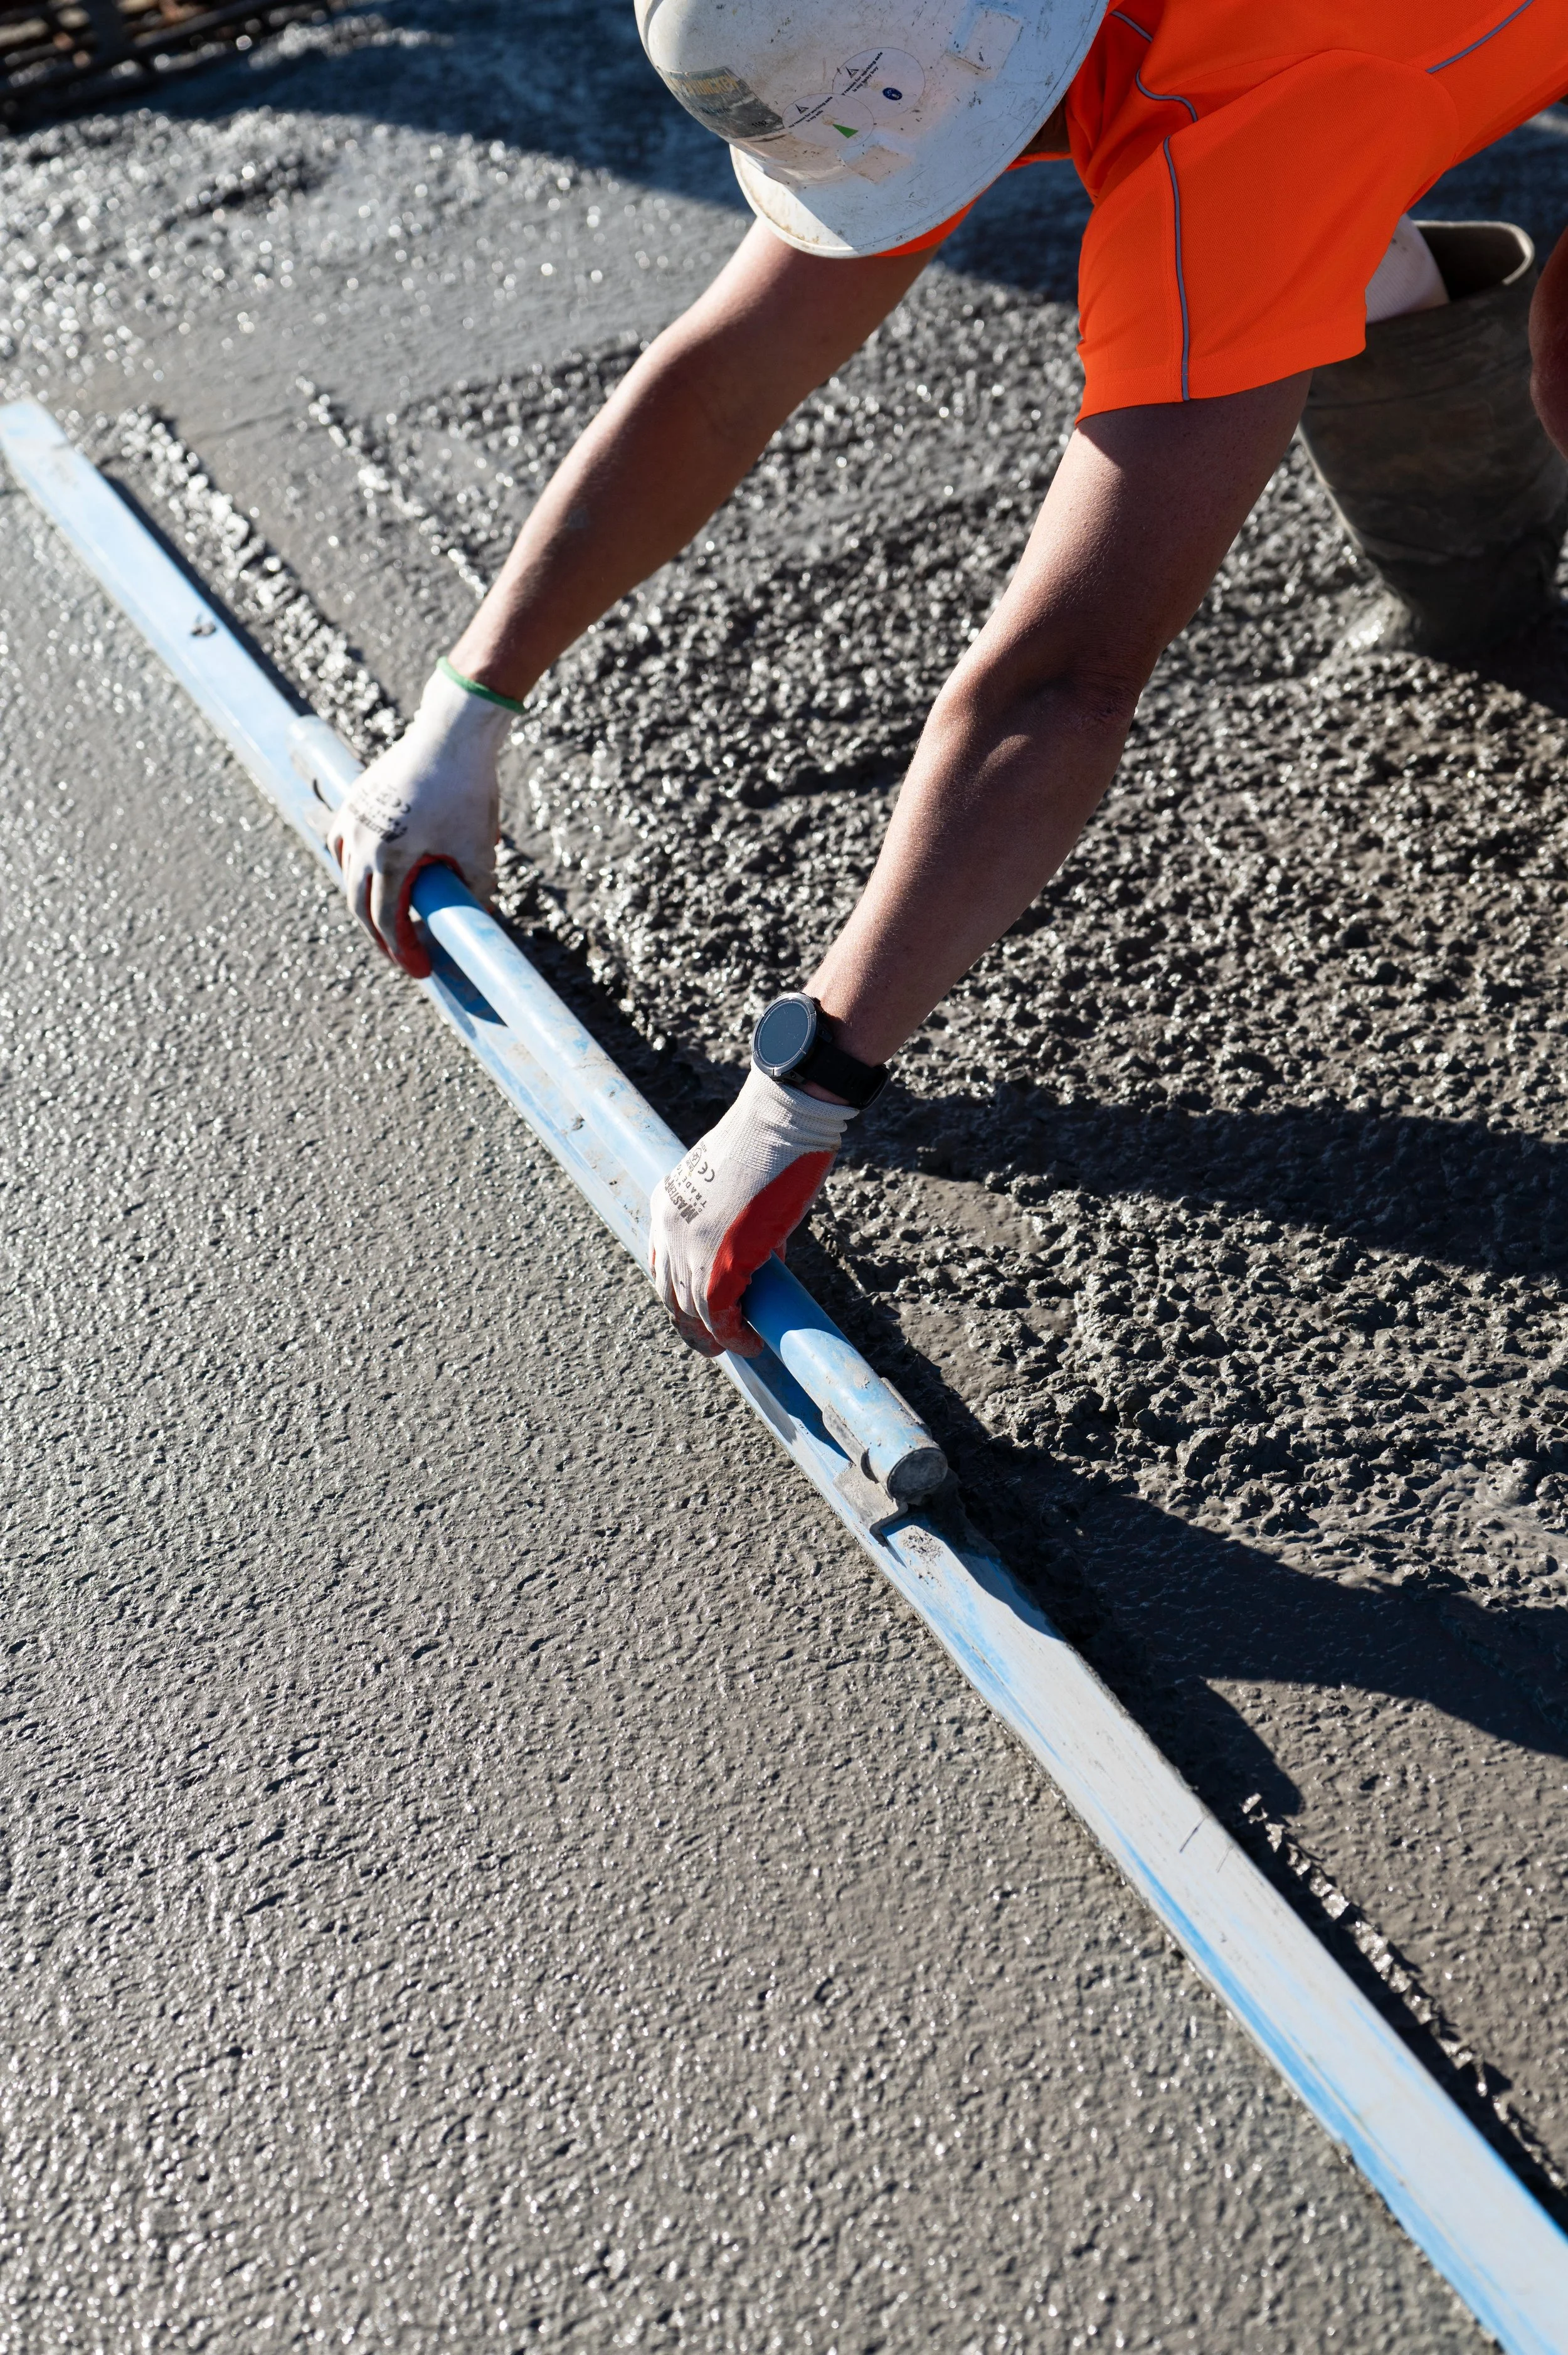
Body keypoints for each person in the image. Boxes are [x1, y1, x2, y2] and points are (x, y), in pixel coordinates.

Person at [330, 0, 1568, 1363]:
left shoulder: (1221, 135)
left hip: (1298, 96)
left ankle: (1462, 517)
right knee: (1295, 245)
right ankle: (1469, 555)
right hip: (1330, 84)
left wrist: (803, 1090)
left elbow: (1060, 684)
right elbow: (723, 382)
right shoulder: (957, 23)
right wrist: (466, 703)